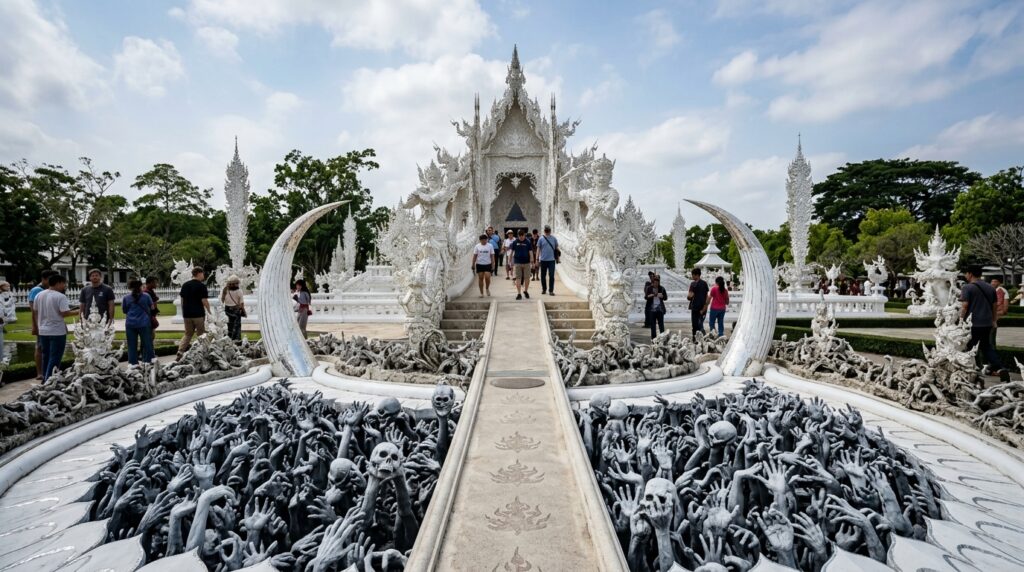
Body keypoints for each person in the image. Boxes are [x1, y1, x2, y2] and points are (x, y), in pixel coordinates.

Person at [960, 265, 1009, 382]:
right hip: (986, 323)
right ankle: (1001, 368)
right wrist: (993, 320)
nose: (965, 276)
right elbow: (994, 306)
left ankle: (975, 370)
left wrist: (960, 320)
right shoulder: (990, 287)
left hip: (973, 324)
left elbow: (965, 306)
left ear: (970, 274)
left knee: (970, 346)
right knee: (986, 346)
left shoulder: (967, 288)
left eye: (966, 273)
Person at [35, 274, 78, 381]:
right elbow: (64, 313)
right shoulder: (60, 296)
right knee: (55, 357)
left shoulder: (39, 295)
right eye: (64, 284)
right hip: (57, 331)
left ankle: (45, 378)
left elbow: (35, 311)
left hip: (43, 330)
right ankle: (50, 380)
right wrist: (79, 311)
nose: (64, 286)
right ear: (58, 283)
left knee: (46, 356)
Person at [29, 269, 57, 379]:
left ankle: (47, 371)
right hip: (41, 324)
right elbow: (33, 310)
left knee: (48, 348)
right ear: (44, 279)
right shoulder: (37, 290)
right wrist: (36, 326)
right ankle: (40, 373)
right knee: (40, 347)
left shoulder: (48, 290)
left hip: (48, 324)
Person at [178, 267, 210, 359]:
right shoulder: (201, 286)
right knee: (201, 335)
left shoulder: (185, 285)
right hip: (198, 314)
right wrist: (209, 311)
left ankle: (180, 351)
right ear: (199, 274)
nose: (203, 275)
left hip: (187, 314)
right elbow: (204, 300)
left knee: (188, 334)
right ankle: (200, 353)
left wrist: (184, 311)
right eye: (203, 273)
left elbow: (182, 300)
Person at [122, 279, 155, 365]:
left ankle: (133, 364)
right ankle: (148, 362)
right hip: (144, 323)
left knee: (132, 345)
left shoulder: (126, 298)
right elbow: (152, 308)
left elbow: (124, 310)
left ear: (130, 288)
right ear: (141, 286)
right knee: (147, 343)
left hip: (130, 324)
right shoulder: (146, 296)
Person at [510, 229, 535, 300]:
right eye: (520, 236)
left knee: (527, 277)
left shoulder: (528, 242)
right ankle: (519, 293)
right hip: (517, 262)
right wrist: (510, 262)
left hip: (526, 262)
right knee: (518, 278)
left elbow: (530, 252)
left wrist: (532, 261)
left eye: (522, 236)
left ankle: (526, 291)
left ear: (524, 235)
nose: (521, 237)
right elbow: (511, 252)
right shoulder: (515, 242)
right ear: (518, 236)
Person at [221, 275, 246, 340]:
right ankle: (237, 340)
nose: (238, 284)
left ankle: (228, 339)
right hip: (236, 309)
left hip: (227, 309)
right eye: (237, 283)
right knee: (237, 326)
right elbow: (241, 303)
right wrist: (242, 310)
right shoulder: (239, 291)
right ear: (235, 283)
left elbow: (222, 299)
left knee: (229, 325)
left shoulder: (225, 289)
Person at [687, 268, 709, 339]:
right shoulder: (704, 283)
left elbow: (689, 296)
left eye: (692, 275)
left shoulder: (693, 284)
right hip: (700, 307)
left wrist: (689, 297)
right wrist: (705, 307)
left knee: (696, 325)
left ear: (696, 275)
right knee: (698, 325)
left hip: (697, 307)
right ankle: (700, 339)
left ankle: (696, 340)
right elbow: (706, 296)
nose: (692, 276)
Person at [537, 225, 559, 296]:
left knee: (551, 276)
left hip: (551, 260)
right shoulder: (541, 239)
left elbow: (556, 249)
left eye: (548, 230)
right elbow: (538, 249)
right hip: (543, 260)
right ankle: (544, 289)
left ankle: (551, 290)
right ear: (544, 231)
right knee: (543, 276)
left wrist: (558, 258)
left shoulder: (554, 239)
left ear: (550, 231)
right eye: (546, 230)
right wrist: (537, 259)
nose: (547, 232)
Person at [645, 274, 668, 339]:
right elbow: (646, 297)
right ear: (652, 283)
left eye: (657, 283)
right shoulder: (649, 288)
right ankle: (654, 338)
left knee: (661, 325)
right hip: (652, 310)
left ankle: (662, 338)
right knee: (653, 326)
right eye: (655, 283)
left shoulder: (662, 288)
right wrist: (652, 295)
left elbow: (666, 298)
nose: (656, 284)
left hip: (660, 309)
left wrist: (662, 296)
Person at [991, 276, 1010, 351]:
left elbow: (1005, 303)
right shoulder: (991, 289)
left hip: (997, 313)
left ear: (999, 283)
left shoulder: (1002, 290)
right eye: (992, 281)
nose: (993, 283)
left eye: (995, 281)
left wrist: (1004, 311)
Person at [0, 281, 15, 365]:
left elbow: (4, 306)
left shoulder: (2, 296)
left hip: (1, 325)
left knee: (1, 346)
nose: (8, 288)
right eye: (6, 286)